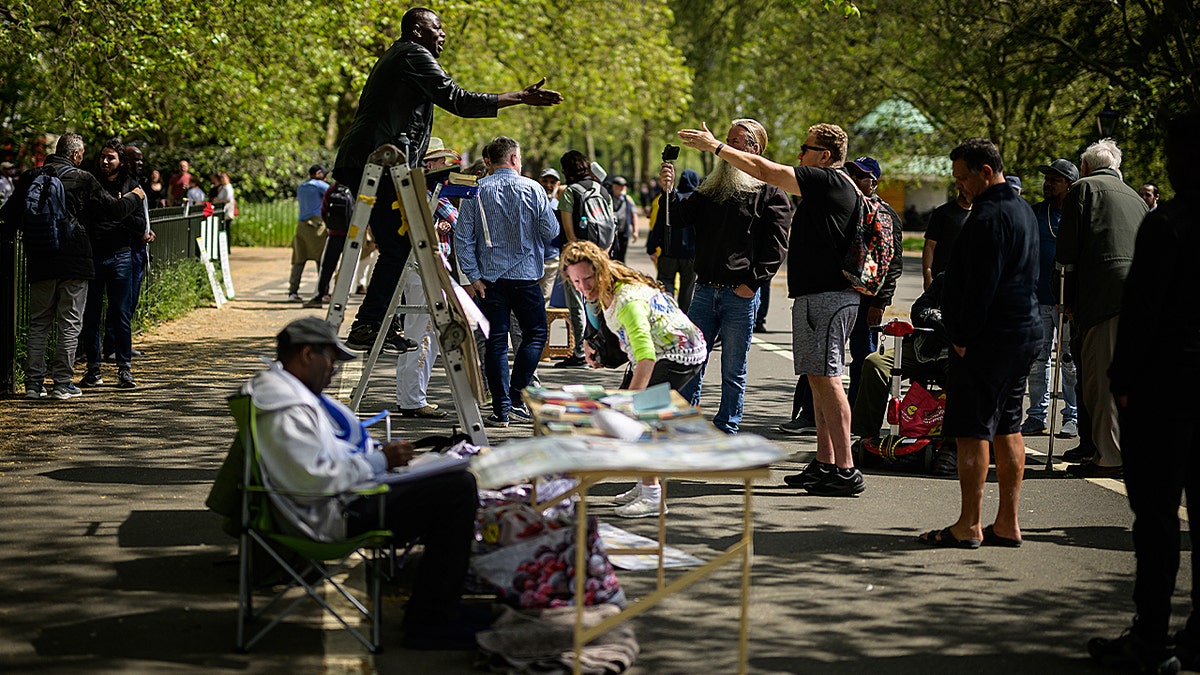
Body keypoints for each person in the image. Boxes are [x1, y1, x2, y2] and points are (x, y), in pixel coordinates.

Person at [241, 317, 483, 650]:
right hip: (334, 513)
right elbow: (314, 479)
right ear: (307, 354)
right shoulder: (284, 406)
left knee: (450, 477)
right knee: (457, 490)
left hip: (341, 499)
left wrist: (385, 462)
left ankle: (438, 609)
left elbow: (322, 462)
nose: (334, 370)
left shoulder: (285, 393)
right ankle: (432, 618)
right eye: (330, 359)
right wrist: (380, 461)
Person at [332, 6, 562, 353]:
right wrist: (519, 97)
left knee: (397, 247)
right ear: (415, 30)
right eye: (436, 28)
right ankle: (371, 321)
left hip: (374, 161)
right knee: (399, 247)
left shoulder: (402, 57)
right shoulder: (413, 54)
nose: (442, 35)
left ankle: (370, 323)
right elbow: (458, 99)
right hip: (376, 162)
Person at [677, 120, 866, 496]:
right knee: (817, 378)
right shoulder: (829, 185)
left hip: (826, 297)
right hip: (814, 296)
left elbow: (767, 173)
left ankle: (845, 468)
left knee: (828, 379)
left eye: (805, 149)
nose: (799, 156)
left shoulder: (829, 180)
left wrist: (714, 146)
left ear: (824, 157)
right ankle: (825, 462)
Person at [1087, 112, 1198, 675]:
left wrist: (1123, 382)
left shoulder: (1169, 225)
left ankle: (1150, 635)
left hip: (1166, 388)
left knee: (1155, 519)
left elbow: (1144, 312)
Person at [918, 138, 1041, 549]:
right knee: (1009, 426)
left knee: (972, 431)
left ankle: (968, 524)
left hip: (988, 337)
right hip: (1023, 331)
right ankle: (1007, 522)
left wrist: (963, 338)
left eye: (963, 178)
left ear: (985, 172)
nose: (960, 188)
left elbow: (978, 287)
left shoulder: (988, 216)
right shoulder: (1024, 209)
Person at [658, 118, 792, 435]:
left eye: (733, 141)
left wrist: (751, 284)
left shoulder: (771, 192)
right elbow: (678, 218)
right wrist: (669, 190)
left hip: (740, 295)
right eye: (726, 140)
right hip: (704, 292)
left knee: (733, 367)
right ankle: (684, 424)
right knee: (690, 360)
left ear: (753, 150)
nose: (725, 146)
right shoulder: (712, 187)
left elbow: (776, 249)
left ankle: (726, 426)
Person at [560, 240, 706, 516]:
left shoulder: (628, 301)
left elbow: (647, 357)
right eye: (575, 281)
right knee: (630, 413)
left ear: (600, 270)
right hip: (658, 351)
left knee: (639, 420)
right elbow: (615, 333)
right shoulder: (607, 284)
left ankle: (652, 496)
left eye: (588, 278)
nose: (583, 286)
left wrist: (631, 403)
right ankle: (645, 483)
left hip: (678, 354)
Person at [0, 133, 144, 399]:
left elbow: (8, 216)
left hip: (40, 258)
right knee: (69, 322)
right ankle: (62, 383)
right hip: (75, 260)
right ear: (76, 155)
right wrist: (135, 197)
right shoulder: (82, 179)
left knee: (39, 322)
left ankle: (33, 384)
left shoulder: (32, 176)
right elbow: (113, 210)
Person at [779, 156, 903, 436]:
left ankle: (857, 420)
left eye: (863, 176)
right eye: (853, 173)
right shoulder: (841, 199)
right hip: (835, 291)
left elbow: (892, 264)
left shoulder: (884, 214)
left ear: (875, 182)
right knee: (819, 359)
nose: (857, 179)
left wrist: (879, 303)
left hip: (865, 299)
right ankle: (808, 415)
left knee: (862, 359)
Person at [1057, 138, 1148, 479]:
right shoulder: (1136, 197)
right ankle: (1120, 450)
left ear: (1085, 167)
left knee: (1100, 378)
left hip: (1103, 295)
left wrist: (1063, 298)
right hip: (1138, 295)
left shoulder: (1083, 188)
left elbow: (1066, 253)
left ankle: (1109, 456)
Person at [453, 136, 559, 427]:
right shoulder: (534, 189)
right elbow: (550, 230)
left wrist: (472, 277)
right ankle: (515, 396)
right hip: (527, 278)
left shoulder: (474, 191)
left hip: (490, 280)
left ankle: (500, 409)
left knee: (495, 343)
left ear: (490, 160)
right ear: (514, 159)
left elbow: (462, 238)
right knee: (535, 335)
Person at [395, 138, 461, 419]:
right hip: (425, 268)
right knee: (421, 334)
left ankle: (410, 396)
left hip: (422, 267)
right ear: (430, 163)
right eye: (441, 162)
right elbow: (457, 219)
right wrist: (441, 224)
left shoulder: (422, 190)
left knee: (421, 333)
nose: (445, 168)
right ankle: (413, 399)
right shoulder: (428, 192)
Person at [80, 139, 149, 390]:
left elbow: (140, 227)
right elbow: (90, 220)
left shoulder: (132, 186)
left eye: (111, 158)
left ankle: (124, 369)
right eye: (103, 157)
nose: (105, 161)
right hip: (95, 257)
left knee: (120, 314)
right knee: (92, 315)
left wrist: (121, 213)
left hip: (121, 257)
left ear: (121, 161)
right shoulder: (92, 184)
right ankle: (93, 370)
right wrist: (120, 209)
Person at [1020, 158, 1080, 438]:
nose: (1048, 183)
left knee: (1068, 362)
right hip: (1038, 299)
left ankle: (1072, 416)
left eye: (1055, 180)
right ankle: (1036, 415)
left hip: (1066, 302)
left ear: (1069, 184)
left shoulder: (1078, 213)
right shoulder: (1035, 213)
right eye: (1047, 178)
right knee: (1037, 360)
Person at [555, 150, 614, 369]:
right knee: (600, 301)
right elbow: (611, 226)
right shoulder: (603, 191)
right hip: (601, 255)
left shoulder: (571, 192)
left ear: (566, 171)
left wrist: (575, 258)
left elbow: (569, 233)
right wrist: (602, 255)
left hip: (578, 258)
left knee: (578, 304)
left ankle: (580, 351)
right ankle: (604, 349)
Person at [104, 144, 156, 363]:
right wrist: (138, 232)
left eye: (141, 159)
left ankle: (124, 345)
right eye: (136, 159)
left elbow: (139, 216)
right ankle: (112, 347)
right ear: (125, 161)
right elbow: (118, 217)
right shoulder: (122, 185)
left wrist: (147, 231)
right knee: (120, 304)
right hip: (127, 250)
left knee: (130, 302)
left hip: (139, 250)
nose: (140, 163)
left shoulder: (135, 184)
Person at [645, 168, 699, 313]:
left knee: (666, 283)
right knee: (687, 289)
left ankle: (668, 313)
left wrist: (651, 247)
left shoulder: (671, 200)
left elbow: (659, 224)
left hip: (669, 251)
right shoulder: (698, 201)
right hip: (691, 254)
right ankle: (684, 317)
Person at [290, 164, 330, 303]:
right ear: (318, 174)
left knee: (299, 260)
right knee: (322, 260)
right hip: (317, 227)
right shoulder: (321, 186)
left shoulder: (302, 187)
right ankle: (323, 292)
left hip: (302, 226)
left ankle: (293, 292)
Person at [921, 191, 971, 290]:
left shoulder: (981, 214)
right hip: (942, 277)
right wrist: (927, 274)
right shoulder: (943, 213)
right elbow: (929, 246)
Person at [607, 176, 638, 262]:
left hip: (623, 232)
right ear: (613, 186)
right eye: (619, 185)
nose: (622, 188)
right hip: (611, 233)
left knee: (621, 257)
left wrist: (635, 231)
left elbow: (634, 215)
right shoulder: (608, 198)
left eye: (624, 186)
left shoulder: (628, 199)